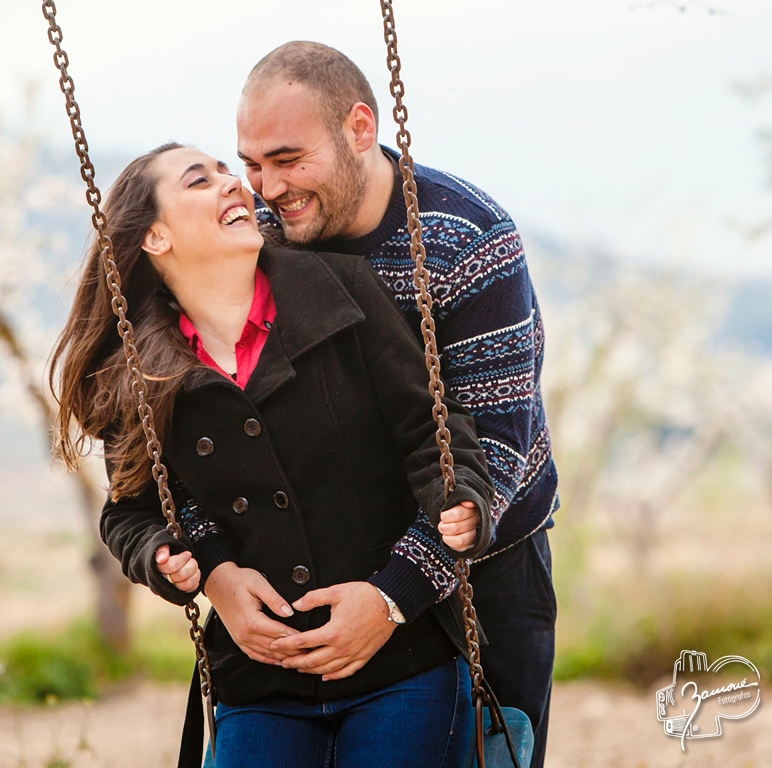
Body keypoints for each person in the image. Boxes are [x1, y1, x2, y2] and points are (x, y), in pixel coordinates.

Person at [50, 142, 496, 767]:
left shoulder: (344, 291)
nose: (234, 184)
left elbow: (434, 436)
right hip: (257, 682)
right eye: (200, 181)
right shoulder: (144, 375)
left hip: (402, 664)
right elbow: (129, 513)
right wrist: (183, 564)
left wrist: (456, 511)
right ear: (154, 236)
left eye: (229, 172)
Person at [217, 41, 559, 768]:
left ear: (360, 128)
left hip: (486, 569)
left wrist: (396, 595)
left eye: (287, 158)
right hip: (321, 565)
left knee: (496, 753)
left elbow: (496, 451)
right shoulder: (254, 237)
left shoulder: (467, 238)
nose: (266, 187)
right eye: (251, 163)